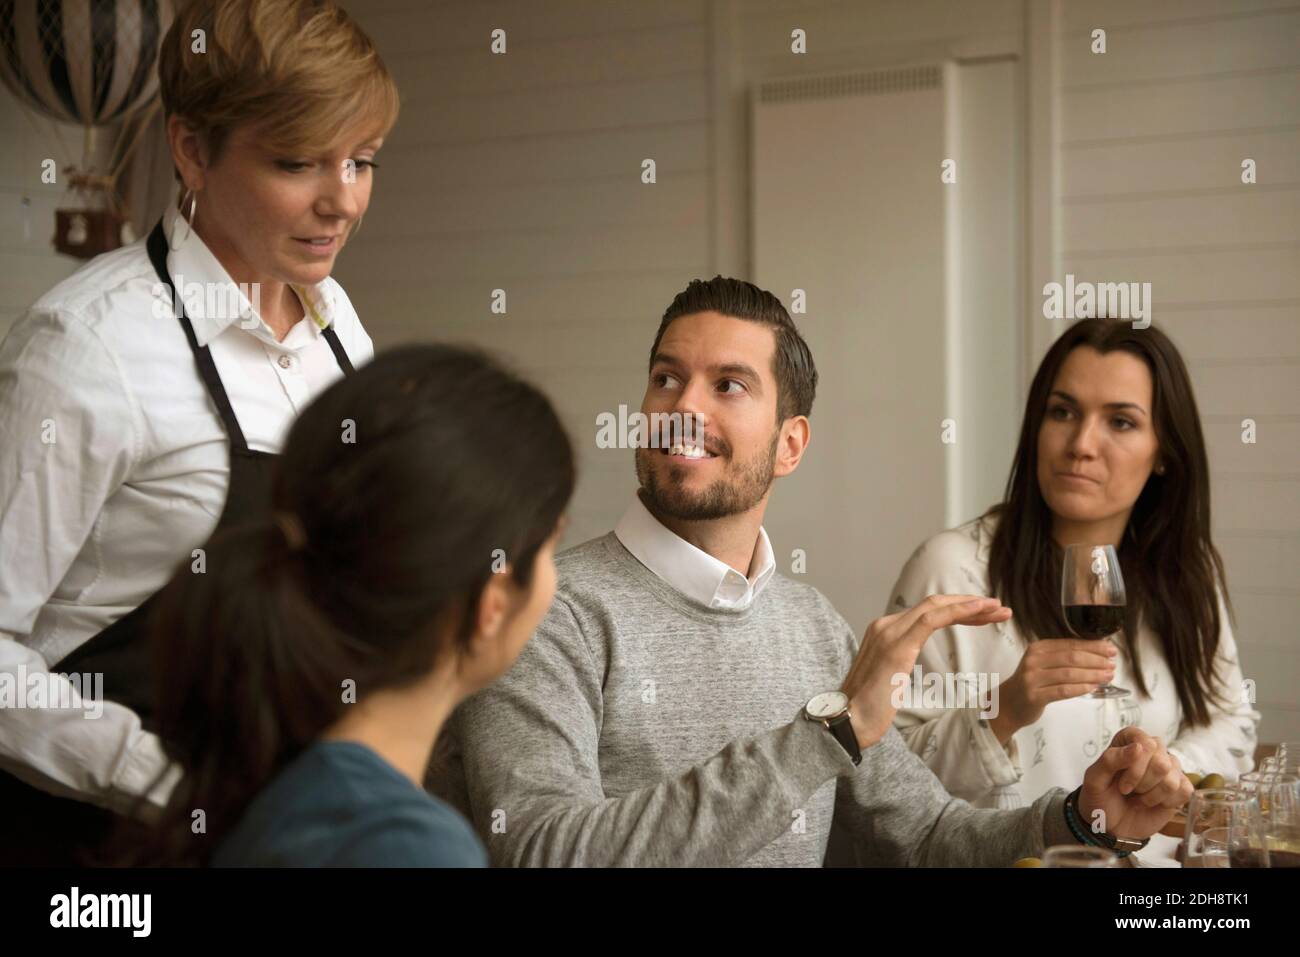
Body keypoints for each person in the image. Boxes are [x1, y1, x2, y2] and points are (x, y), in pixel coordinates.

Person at [431, 278, 1192, 867]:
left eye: (727, 385)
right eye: (667, 378)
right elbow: (540, 850)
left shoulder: (811, 624)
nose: (681, 408)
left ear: (791, 445)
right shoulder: (545, 611)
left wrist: (1082, 817)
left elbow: (926, 838)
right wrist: (821, 736)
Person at [0, 0, 398, 865]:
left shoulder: (341, 330)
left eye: (362, 161)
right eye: (297, 162)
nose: (342, 201)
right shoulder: (87, 349)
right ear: (191, 148)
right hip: (93, 845)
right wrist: (174, 784)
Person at [130, 345, 575, 867]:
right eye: (551, 547)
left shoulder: (267, 782)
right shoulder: (406, 848)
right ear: (493, 603)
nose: (555, 577)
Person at [889, 318, 1258, 862]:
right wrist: (1002, 710)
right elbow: (883, 784)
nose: (1081, 444)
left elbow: (1232, 721)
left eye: (1121, 422)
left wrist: (1164, 769)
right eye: (1063, 412)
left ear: (1163, 453)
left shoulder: (1188, 571)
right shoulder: (951, 568)